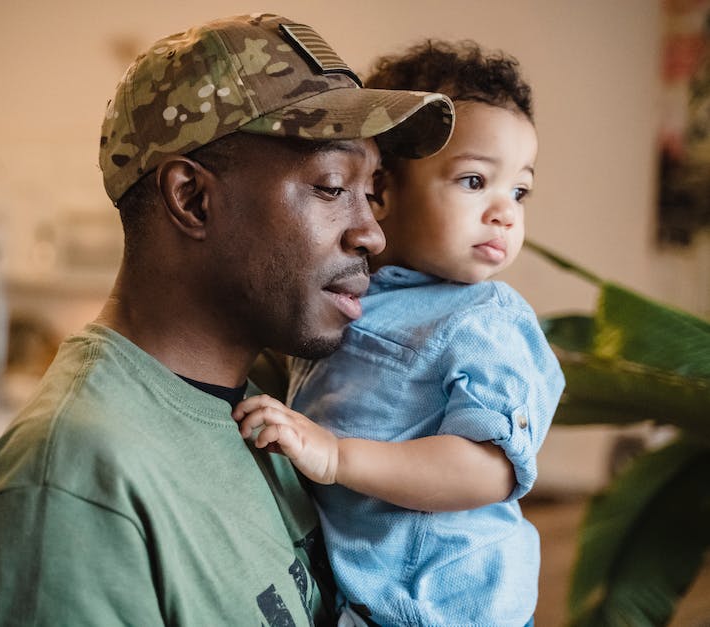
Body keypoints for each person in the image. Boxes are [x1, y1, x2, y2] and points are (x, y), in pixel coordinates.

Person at [0, 14, 454, 626]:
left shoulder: (265, 418)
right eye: (330, 186)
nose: (371, 233)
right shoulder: (70, 490)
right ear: (192, 198)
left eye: (370, 192)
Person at [233, 40, 565, 627]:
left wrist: (339, 457)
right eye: (473, 182)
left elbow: (491, 470)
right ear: (381, 192)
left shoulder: (486, 322)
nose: (505, 212)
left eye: (519, 191)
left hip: (444, 607)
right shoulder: (357, 293)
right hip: (368, 594)